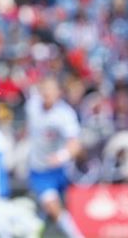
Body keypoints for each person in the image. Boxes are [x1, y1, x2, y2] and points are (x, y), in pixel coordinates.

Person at [25, 76, 84, 238]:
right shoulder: (32, 106)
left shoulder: (65, 114)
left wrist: (61, 156)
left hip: (59, 170)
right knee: (52, 206)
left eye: (51, 89)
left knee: (47, 213)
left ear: (58, 92)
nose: (47, 93)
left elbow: (75, 144)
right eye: (44, 89)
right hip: (39, 169)